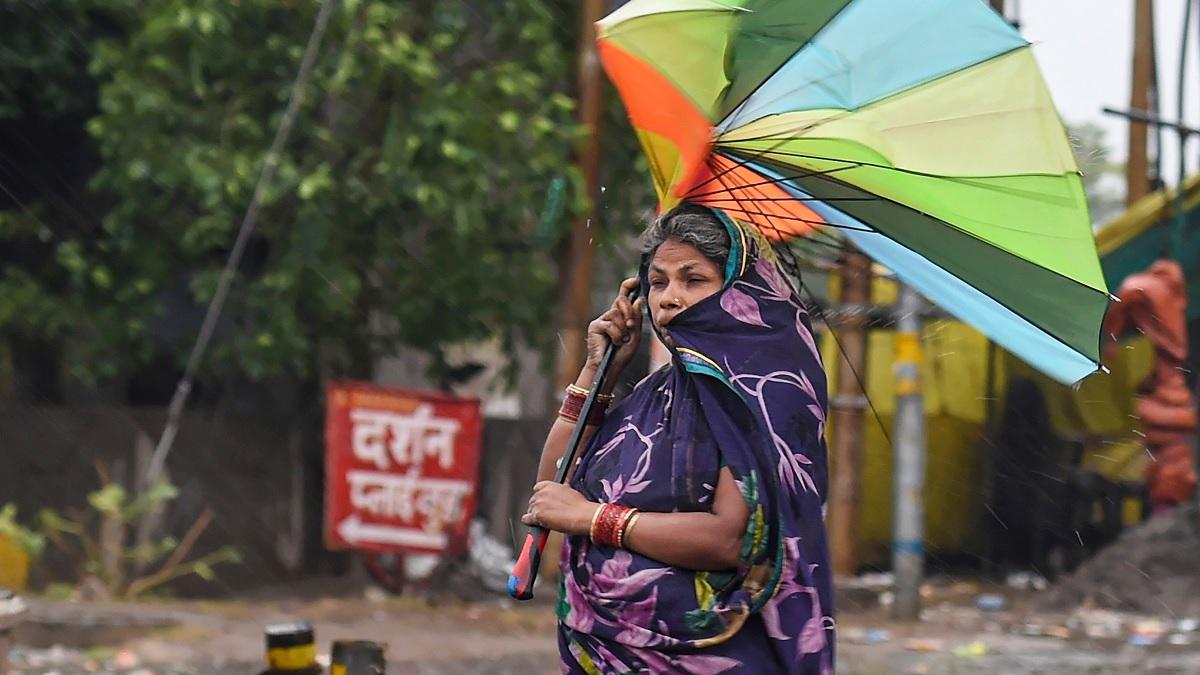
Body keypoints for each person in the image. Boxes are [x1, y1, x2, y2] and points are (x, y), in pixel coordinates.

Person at [522, 203, 835, 673]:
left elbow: (731, 539)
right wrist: (598, 370)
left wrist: (592, 519)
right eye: (657, 282)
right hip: (608, 653)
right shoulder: (660, 389)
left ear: (739, 290)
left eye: (694, 279)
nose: (669, 298)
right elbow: (552, 491)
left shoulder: (766, 393)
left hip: (712, 654)